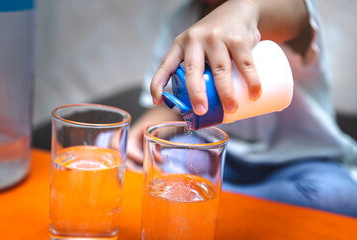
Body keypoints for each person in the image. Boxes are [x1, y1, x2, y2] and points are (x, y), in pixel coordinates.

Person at [127, 0, 357, 217]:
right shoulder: (181, 22)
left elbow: (293, 11)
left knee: (339, 197)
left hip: (301, 161)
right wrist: (143, 131)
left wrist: (246, 9)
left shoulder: (284, 10)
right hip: (214, 152)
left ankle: (210, 199)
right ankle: (212, 197)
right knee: (162, 163)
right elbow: (174, 105)